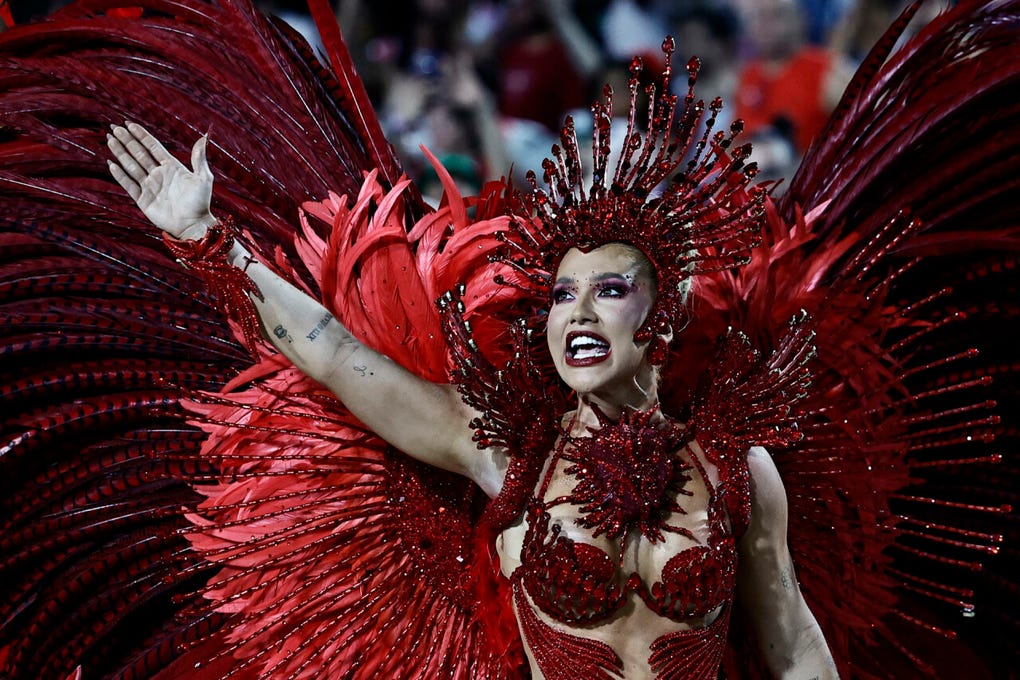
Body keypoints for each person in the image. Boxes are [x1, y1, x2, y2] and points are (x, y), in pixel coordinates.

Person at [105, 34, 839, 674]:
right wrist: (206, 240)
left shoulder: (736, 471)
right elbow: (331, 352)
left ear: (666, 316)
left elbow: (792, 644)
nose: (576, 311)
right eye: (560, 296)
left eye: (608, 290)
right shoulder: (508, 454)